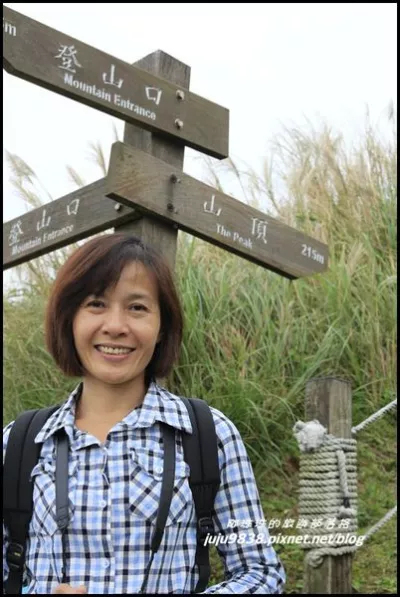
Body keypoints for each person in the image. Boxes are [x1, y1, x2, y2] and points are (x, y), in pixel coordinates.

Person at [3, 233, 286, 594]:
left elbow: (260, 571)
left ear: (161, 326)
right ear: (69, 319)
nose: (116, 325)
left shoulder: (208, 434)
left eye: (137, 307)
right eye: (96, 304)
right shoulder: (19, 442)